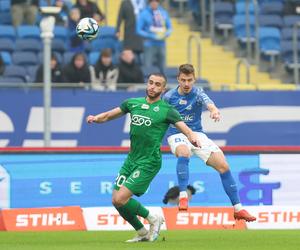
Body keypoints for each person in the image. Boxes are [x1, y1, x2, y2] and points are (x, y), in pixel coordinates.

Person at [86, 73, 200, 242]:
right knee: (116, 201)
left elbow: (184, 127)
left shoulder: (167, 110)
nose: (153, 87)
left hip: (149, 161)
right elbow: (110, 115)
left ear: (163, 89)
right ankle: (141, 232)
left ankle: (153, 218)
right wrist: (96, 118)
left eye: (158, 84)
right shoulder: (133, 103)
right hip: (131, 159)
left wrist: (192, 136)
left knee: (121, 198)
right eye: (151, 83)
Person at [163, 64, 256, 222]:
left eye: (190, 80)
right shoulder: (169, 97)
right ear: (178, 79)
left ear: (194, 79)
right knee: (184, 152)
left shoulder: (198, 92)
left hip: (197, 134)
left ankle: (238, 208)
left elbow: (209, 103)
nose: (186, 84)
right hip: (177, 133)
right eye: (183, 80)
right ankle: (183, 195)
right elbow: (161, 117)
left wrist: (213, 110)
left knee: (224, 166)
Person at [137, 0, 172, 74]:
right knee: (147, 67)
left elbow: (170, 27)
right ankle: (147, 83)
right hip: (149, 44)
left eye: (156, 1)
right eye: (152, 2)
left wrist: (167, 33)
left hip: (161, 44)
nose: (154, 3)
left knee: (163, 67)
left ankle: (163, 84)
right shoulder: (144, 14)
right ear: (149, 3)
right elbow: (138, 30)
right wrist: (150, 35)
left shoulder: (163, 13)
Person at [116, 0, 145, 64]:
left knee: (144, 61)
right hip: (130, 36)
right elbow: (120, 17)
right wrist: (117, 30)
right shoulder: (125, 3)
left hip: (143, 37)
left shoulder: (145, 2)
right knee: (131, 61)